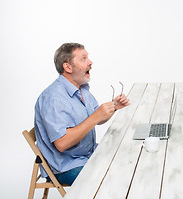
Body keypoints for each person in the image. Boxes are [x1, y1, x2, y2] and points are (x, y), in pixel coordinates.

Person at [34, 43, 130, 185]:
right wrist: (97, 115)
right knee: (113, 180)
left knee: (128, 160)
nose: (90, 62)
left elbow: (97, 118)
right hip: (66, 166)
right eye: (83, 58)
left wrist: (114, 107)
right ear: (68, 67)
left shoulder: (81, 88)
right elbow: (62, 143)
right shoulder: (53, 98)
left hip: (88, 154)